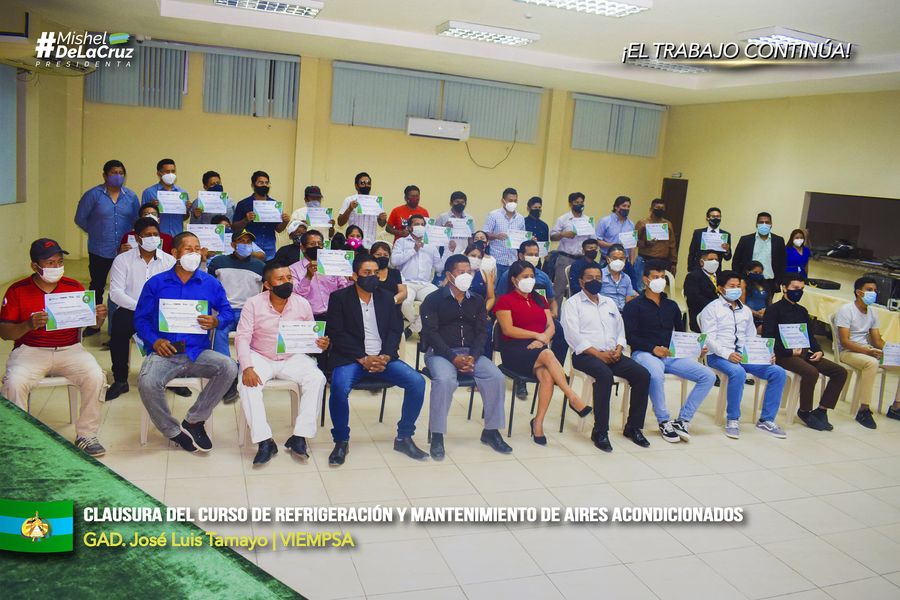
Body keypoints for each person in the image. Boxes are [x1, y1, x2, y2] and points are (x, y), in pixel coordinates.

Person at [0, 239, 109, 457]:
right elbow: (4, 332)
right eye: (50, 263)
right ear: (35, 266)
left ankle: (86, 434)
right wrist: (28, 325)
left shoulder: (73, 287)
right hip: (31, 350)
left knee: (96, 376)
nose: (57, 267)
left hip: (70, 349)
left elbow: (89, 325)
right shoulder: (17, 290)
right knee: (14, 382)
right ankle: (19, 437)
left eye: (60, 262)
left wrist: (98, 319)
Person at [134, 232, 239, 453]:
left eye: (198, 249)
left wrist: (217, 321)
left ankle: (194, 420)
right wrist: (155, 341)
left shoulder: (210, 283)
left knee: (229, 367)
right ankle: (172, 431)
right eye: (188, 249)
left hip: (197, 352)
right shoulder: (156, 284)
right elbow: (140, 320)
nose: (195, 253)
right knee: (147, 382)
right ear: (175, 253)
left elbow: (228, 312)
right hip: (165, 352)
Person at [325, 254, 428, 466]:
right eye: (367, 273)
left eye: (375, 273)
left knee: (417, 382)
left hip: (383, 358)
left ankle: (404, 437)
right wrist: (363, 358)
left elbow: (395, 329)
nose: (373, 277)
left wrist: (386, 355)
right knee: (339, 387)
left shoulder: (386, 297)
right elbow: (336, 333)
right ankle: (341, 440)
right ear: (355, 276)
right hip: (351, 358)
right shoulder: (339, 298)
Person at [235, 261, 329, 465]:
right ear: (268, 285)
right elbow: (242, 337)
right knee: (247, 385)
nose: (287, 282)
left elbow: (311, 337)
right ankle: (265, 441)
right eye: (280, 279)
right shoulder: (253, 303)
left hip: (291, 357)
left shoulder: (302, 303)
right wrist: (247, 367)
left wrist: (320, 343)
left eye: (289, 278)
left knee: (317, 378)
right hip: (261, 356)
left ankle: (299, 436)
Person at [420, 255, 512, 459]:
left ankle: (491, 431)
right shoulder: (433, 300)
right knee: (444, 380)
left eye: (469, 272)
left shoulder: (477, 300)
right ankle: (437, 435)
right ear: (449, 275)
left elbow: (482, 332)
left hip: (471, 353)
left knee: (496, 377)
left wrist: (473, 356)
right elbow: (431, 333)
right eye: (461, 272)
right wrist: (453, 358)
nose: (467, 276)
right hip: (441, 353)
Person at [495, 261, 590, 445]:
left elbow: (551, 326)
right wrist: (536, 335)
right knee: (547, 355)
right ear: (514, 280)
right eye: (525, 277)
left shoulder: (540, 299)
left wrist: (542, 339)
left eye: (532, 276)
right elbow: (508, 329)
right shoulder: (505, 301)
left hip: (538, 348)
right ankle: (572, 396)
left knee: (546, 376)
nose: (530, 280)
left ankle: (538, 423)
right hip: (514, 351)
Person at [623, 261, 715, 443]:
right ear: (645, 280)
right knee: (656, 375)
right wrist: (653, 348)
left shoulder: (671, 306)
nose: (660, 280)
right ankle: (664, 420)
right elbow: (629, 337)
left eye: (662, 277)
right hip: (644, 354)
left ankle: (683, 420)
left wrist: (695, 348)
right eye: (655, 277)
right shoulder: (634, 306)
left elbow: (681, 335)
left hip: (670, 355)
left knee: (708, 376)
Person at [563, 264, 650, 452]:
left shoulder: (609, 302)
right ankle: (600, 431)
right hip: (585, 355)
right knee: (604, 376)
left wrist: (619, 349)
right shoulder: (572, 304)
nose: (595, 281)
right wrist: (598, 354)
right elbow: (573, 335)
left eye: (598, 277)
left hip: (612, 354)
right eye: (590, 278)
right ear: (581, 282)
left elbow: (620, 330)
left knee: (642, 375)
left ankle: (633, 427)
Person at [699, 270, 787, 439]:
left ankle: (766, 420)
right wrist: (728, 354)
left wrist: (765, 354)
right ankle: (732, 419)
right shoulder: (711, 309)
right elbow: (708, 339)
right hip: (718, 356)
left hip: (744, 355)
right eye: (731, 286)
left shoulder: (745, 310)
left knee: (778, 372)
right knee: (738, 372)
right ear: (720, 289)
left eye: (738, 286)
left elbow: (751, 336)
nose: (736, 289)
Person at [762, 274, 847, 431]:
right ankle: (805, 411)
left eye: (801, 289)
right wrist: (789, 351)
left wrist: (819, 350)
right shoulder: (773, 310)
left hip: (802, 352)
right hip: (782, 355)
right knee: (811, 372)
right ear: (784, 288)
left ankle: (821, 410)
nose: (798, 292)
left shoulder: (802, 311)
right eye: (795, 288)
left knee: (840, 372)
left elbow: (809, 336)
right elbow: (768, 337)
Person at [106, 217, 177, 401]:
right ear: (137, 238)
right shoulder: (122, 260)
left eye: (155, 234)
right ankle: (120, 379)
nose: (153, 238)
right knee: (118, 329)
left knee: (176, 328)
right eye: (147, 235)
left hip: (159, 312)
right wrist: (141, 307)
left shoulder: (169, 261)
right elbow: (116, 293)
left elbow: (174, 290)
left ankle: (173, 379)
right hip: (131, 309)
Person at [74, 159, 140, 315]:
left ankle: (119, 319)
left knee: (124, 286)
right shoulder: (93, 195)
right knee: (97, 285)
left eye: (121, 173)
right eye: (114, 173)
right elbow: (80, 218)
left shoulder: (131, 196)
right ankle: (94, 320)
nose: (118, 176)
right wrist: (96, 232)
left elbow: (137, 221)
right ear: (105, 175)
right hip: (99, 249)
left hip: (125, 250)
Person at [835, 276, 900, 428]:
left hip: (866, 351)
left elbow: (877, 340)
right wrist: (867, 351)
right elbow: (845, 341)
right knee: (871, 363)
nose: (874, 293)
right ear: (859, 292)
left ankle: (896, 407)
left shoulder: (872, 313)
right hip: (848, 352)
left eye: (875, 290)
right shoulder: (846, 310)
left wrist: (892, 352)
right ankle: (864, 409)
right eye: (869, 290)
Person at [495, 240, 567, 377]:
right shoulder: (507, 276)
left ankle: (556, 368)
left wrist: (554, 312)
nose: (534, 257)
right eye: (530, 254)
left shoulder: (543, 276)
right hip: (517, 317)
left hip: (540, 314)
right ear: (521, 255)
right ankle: (552, 372)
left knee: (559, 331)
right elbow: (500, 300)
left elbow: (551, 300)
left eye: (536, 254)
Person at [207, 230, 265, 357]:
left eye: (248, 242)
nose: (245, 244)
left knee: (254, 335)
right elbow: (209, 286)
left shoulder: (260, 266)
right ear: (233, 245)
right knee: (219, 331)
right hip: (224, 310)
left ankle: (246, 364)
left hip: (248, 311)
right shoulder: (218, 262)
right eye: (241, 241)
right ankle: (225, 364)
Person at [391, 214, 442, 337]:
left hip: (425, 284)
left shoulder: (431, 245)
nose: (420, 227)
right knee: (405, 303)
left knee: (439, 301)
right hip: (406, 283)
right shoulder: (401, 242)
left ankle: (412, 328)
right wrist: (413, 250)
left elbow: (439, 268)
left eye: (423, 224)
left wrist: (449, 250)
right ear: (409, 227)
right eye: (417, 224)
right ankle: (420, 329)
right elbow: (394, 262)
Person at [290, 229, 352, 323]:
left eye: (319, 244)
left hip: (334, 315)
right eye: (312, 244)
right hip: (309, 318)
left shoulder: (331, 264)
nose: (317, 247)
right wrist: (308, 277)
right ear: (303, 248)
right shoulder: (293, 269)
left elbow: (343, 288)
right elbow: (297, 295)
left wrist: (349, 279)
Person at [231, 170, 291, 260]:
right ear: (253, 185)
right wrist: (246, 220)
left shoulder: (274, 204)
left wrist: (285, 222)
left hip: (270, 248)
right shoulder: (243, 204)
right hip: (251, 248)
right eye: (261, 182)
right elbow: (234, 227)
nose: (264, 185)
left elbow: (278, 229)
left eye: (267, 183)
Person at [549, 192, 592, 300]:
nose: (580, 204)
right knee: (559, 289)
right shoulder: (563, 219)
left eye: (581, 202)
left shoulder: (588, 220)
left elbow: (593, 239)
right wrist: (563, 234)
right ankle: (556, 311)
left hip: (581, 259)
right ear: (570, 204)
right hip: (565, 257)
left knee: (579, 289)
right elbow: (552, 236)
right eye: (576, 202)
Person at [733, 211, 786, 294]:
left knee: (767, 303)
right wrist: (740, 279)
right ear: (756, 224)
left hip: (769, 282)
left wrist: (778, 282)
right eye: (761, 222)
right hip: (748, 281)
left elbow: (782, 263)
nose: (764, 224)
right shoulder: (745, 240)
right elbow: (736, 261)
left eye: (767, 222)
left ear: (771, 224)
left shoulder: (778, 241)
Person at [482, 187, 526, 282]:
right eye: (510, 200)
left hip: (513, 261)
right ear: (503, 201)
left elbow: (522, 237)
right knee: (493, 287)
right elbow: (484, 234)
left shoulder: (520, 218)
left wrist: (529, 239)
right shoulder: (494, 215)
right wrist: (496, 236)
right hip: (496, 260)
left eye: (515, 201)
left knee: (508, 288)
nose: (513, 203)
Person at [635, 198, 678, 292]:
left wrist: (674, 262)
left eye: (662, 208)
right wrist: (646, 243)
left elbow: (672, 244)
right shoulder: (642, 223)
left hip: (662, 261)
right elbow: (634, 241)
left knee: (658, 288)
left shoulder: (667, 224)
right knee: (640, 287)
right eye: (657, 208)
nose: (660, 210)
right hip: (644, 260)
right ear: (651, 209)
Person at [141, 158, 189, 238]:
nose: (171, 174)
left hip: (177, 235)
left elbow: (184, 217)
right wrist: (152, 207)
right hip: (156, 236)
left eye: (173, 171)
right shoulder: (149, 192)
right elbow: (143, 219)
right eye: (167, 171)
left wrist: (186, 209)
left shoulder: (182, 193)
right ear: (159, 173)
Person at [337, 172, 387, 248]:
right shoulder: (349, 200)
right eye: (362, 183)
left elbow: (382, 224)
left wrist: (382, 219)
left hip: (370, 244)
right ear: (356, 186)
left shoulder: (376, 201)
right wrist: (349, 209)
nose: (366, 185)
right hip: (353, 244)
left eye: (368, 183)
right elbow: (340, 222)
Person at [684, 249, 721, 332]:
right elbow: (694, 299)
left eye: (716, 260)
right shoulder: (693, 276)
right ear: (702, 262)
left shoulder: (721, 277)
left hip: (720, 315)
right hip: (701, 315)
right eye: (711, 259)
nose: (714, 262)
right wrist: (716, 307)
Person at [687, 207, 732, 272]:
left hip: (716, 271)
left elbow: (727, 258)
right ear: (707, 218)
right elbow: (692, 253)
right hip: (698, 269)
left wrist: (727, 250)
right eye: (713, 216)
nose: (716, 218)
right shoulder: (698, 233)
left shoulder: (725, 235)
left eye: (718, 216)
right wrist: (690, 269)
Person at [598, 244, 637, 311]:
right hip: (604, 311)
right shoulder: (599, 275)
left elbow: (629, 300)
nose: (618, 261)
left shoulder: (626, 278)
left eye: (621, 259)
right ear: (607, 259)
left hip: (623, 312)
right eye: (615, 258)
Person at [432, 191, 472, 255]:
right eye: (457, 202)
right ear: (451, 203)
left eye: (462, 202)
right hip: (446, 253)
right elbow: (435, 237)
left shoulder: (469, 219)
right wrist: (444, 229)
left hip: (463, 253)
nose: (460, 204)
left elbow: (471, 238)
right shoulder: (443, 217)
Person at [370, 242, 407, 306]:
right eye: (378, 254)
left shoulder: (396, 273)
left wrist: (391, 301)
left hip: (393, 307)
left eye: (385, 255)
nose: (382, 257)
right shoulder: (368, 273)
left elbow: (403, 292)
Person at [741, 261, 770, 332]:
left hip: (764, 316)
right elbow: (741, 304)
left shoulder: (764, 285)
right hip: (750, 317)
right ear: (748, 272)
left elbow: (769, 302)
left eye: (760, 273)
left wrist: (766, 311)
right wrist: (755, 313)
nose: (758, 274)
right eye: (755, 272)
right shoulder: (743, 283)